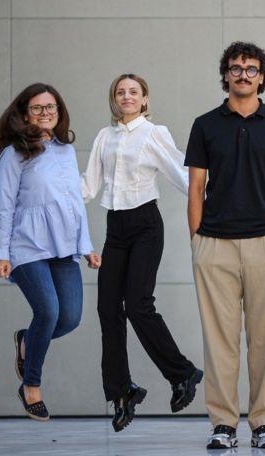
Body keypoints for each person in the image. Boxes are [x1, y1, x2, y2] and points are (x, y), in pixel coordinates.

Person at [186, 41, 265, 449]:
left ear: (261, 77)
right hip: (214, 245)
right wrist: (197, 241)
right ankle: (223, 424)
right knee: (219, 342)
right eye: (236, 68)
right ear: (226, 75)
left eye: (251, 69)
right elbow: (195, 188)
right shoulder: (205, 124)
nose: (243, 74)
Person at [80, 74, 204, 432]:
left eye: (133, 92)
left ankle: (182, 373)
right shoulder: (104, 137)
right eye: (120, 92)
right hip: (115, 227)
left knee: (137, 305)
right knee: (108, 309)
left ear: (145, 99)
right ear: (114, 99)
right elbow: (87, 187)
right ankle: (122, 392)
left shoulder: (154, 133)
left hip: (146, 225)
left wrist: (214, 202)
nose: (127, 96)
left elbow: (182, 175)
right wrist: (50, 190)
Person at [0, 83, 101, 422]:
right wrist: (2, 252)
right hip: (26, 246)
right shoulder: (15, 153)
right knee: (48, 312)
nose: (45, 113)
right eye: (37, 108)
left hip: (64, 246)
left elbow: (74, 204)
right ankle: (31, 386)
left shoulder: (65, 150)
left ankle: (27, 341)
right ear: (25, 114)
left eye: (50, 107)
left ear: (59, 111)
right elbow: (4, 206)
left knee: (69, 318)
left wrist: (86, 247)